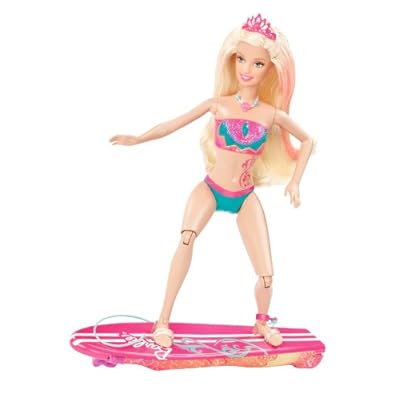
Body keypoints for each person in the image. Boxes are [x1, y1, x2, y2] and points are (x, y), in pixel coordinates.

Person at [109, 14, 316, 349]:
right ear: (231, 59)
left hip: (244, 196)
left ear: (270, 69)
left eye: (258, 63)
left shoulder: (270, 114)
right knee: (186, 239)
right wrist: (139, 138)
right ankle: (163, 320)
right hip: (211, 189)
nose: (247, 69)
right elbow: (172, 124)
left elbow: (307, 140)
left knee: (266, 274)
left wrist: (295, 181)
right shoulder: (218, 105)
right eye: (241, 59)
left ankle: (262, 322)